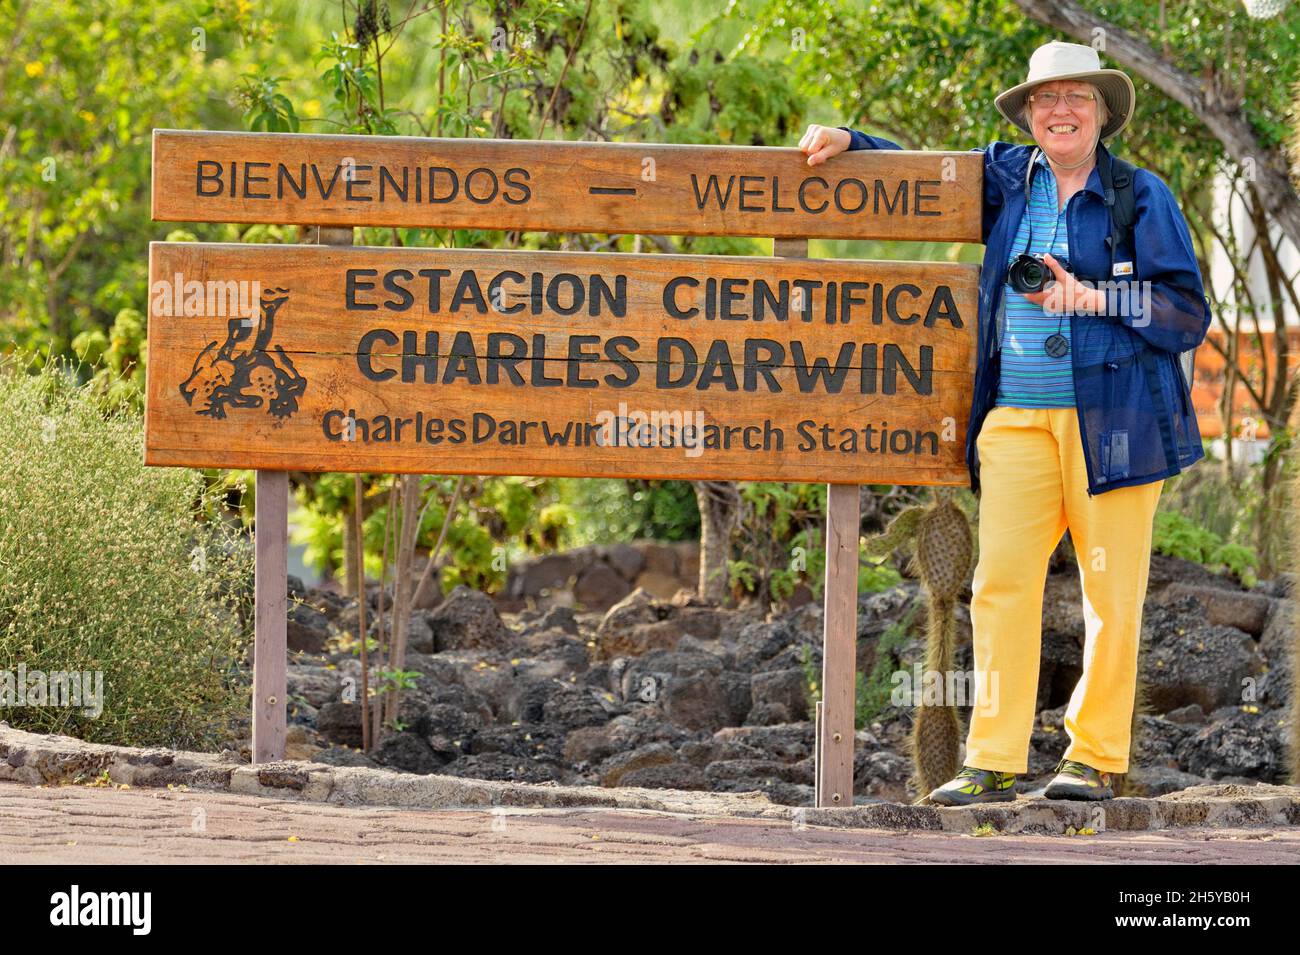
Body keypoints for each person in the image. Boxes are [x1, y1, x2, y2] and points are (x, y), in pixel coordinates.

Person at [798, 41, 1211, 803]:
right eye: (1045, 98)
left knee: (1111, 594)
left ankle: (1093, 756)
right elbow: (926, 174)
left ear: (1101, 112)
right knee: (1000, 587)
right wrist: (854, 143)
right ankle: (991, 758)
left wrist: (1092, 298)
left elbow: (1186, 311)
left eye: (1076, 98)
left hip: (1116, 424)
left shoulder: (1140, 196)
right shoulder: (1006, 179)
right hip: (1015, 418)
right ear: (1027, 112)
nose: (1060, 110)